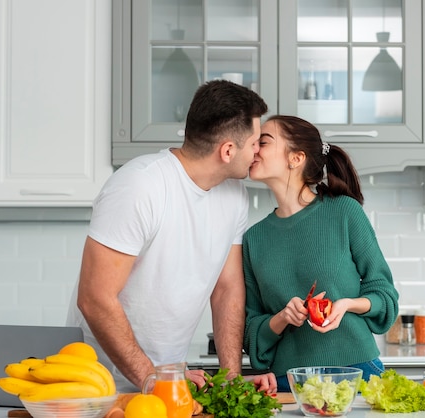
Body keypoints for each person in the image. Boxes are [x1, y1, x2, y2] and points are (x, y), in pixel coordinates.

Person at [67, 80, 277, 393]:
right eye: (255, 143)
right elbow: (95, 299)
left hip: (168, 382)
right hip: (100, 383)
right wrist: (152, 378)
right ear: (228, 150)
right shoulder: (139, 186)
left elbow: (227, 290)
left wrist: (230, 378)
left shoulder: (235, 195)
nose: (259, 152)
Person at [243, 115, 399, 392]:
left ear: (296, 158)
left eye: (263, 142)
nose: (252, 149)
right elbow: (252, 329)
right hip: (288, 382)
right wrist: (282, 317)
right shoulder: (253, 239)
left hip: (358, 372)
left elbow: (384, 296)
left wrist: (346, 305)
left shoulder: (344, 212)